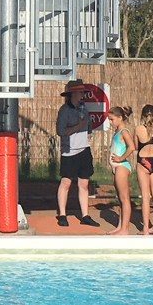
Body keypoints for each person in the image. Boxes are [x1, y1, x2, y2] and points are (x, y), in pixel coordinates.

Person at [55, 79, 99, 228]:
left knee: (84, 183)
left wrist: (87, 132)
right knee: (66, 182)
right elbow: (60, 131)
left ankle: (85, 215)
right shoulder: (64, 110)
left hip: (84, 149)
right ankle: (62, 214)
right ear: (73, 94)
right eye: (80, 92)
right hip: (70, 152)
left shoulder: (84, 108)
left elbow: (88, 126)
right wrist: (78, 126)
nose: (82, 95)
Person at [132, 104, 153, 235]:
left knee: (145, 197)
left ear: (142, 116)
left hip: (143, 161)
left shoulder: (138, 129)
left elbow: (136, 147)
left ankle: (146, 228)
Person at [105, 106, 136, 235]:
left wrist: (121, 158)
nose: (110, 122)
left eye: (112, 119)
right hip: (117, 167)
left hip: (122, 167)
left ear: (120, 118)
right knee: (120, 199)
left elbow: (132, 147)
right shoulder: (117, 131)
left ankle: (125, 229)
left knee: (124, 198)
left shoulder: (124, 131)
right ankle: (120, 226)